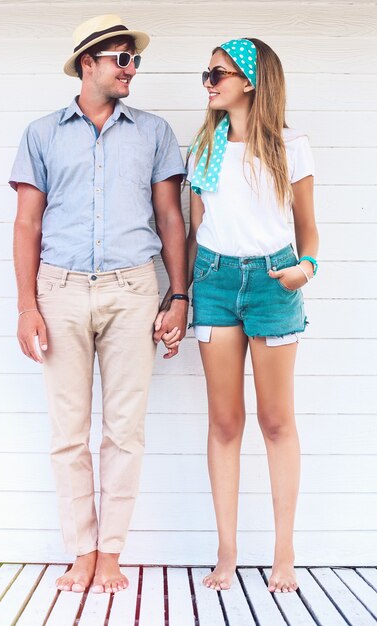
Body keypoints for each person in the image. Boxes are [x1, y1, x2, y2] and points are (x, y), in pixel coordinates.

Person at [9, 14, 188, 594]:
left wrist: (178, 294)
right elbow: (28, 223)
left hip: (133, 289)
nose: (131, 67)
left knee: (124, 430)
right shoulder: (41, 133)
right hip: (58, 291)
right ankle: (80, 550)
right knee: (67, 432)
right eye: (121, 58)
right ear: (88, 62)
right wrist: (26, 305)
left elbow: (169, 219)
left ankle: (111, 552)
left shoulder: (154, 132)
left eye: (133, 58)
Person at [158, 37, 319, 593]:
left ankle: (284, 554)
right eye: (207, 74)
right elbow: (199, 230)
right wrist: (182, 296)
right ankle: (225, 554)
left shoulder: (291, 145)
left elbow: (309, 229)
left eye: (218, 73)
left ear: (250, 82)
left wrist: (309, 267)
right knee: (225, 422)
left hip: (275, 284)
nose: (209, 82)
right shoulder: (203, 148)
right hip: (216, 282)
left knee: (277, 421)